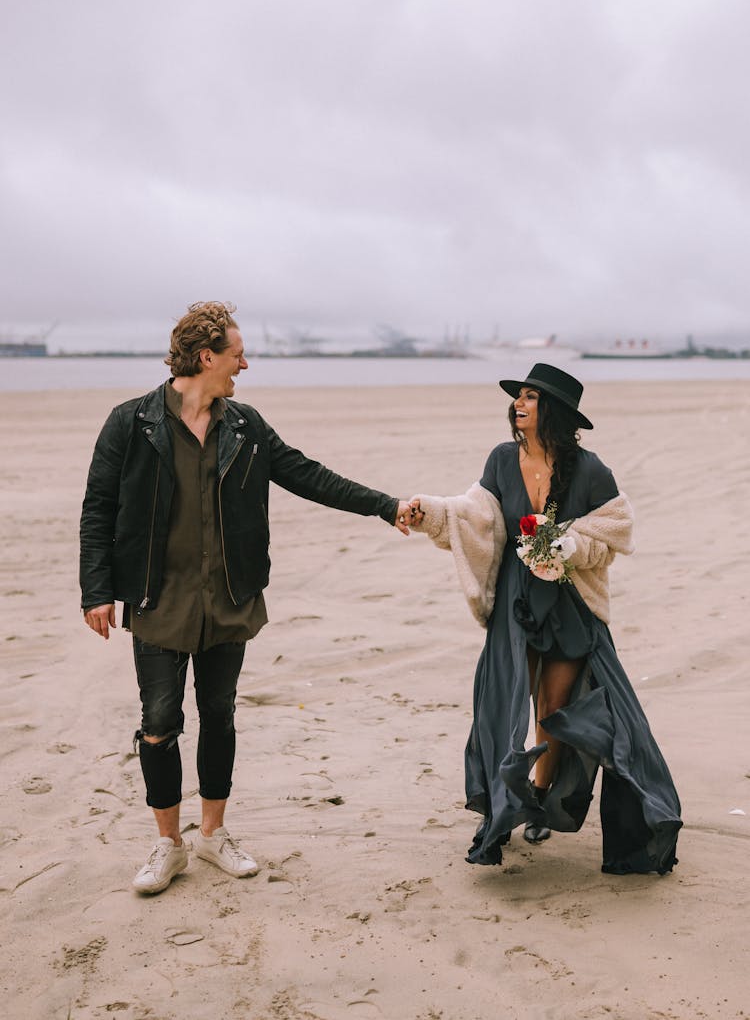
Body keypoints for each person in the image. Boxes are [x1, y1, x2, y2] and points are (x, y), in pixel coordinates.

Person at [80, 301, 415, 894]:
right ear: (206, 357)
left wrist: (384, 506)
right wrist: (97, 590)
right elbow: (99, 508)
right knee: (158, 723)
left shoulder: (245, 426)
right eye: (238, 355)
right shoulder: (131, 422)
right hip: (159, 600)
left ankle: (211, 836)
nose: (245, 364)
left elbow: (309, 476)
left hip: (229, 597)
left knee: (219, 717)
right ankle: (168, 846)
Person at [408, 363, 681, 874]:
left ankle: (536, 796)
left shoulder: (591, 470)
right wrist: (432, 512)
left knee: (553, 706)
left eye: (532, 397)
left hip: (569, 605)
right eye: (520, 396)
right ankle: (497, 805)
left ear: (551, 410)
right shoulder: (501, 460)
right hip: (517, 599)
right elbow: (476, 514)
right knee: (505, 698)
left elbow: (616, 531)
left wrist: (568, 545)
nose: (520, 404)